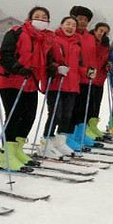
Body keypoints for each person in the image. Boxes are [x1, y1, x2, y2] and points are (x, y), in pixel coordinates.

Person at [0, 6, 54, 169]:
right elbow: (5, 55)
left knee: (29, 117)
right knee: (14, 116)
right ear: (29, 18)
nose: (41, 19)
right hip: (11, 81)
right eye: (37, 16)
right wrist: (18, 68)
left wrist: (52, 68)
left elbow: (45, 60)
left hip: (31, 83)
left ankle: (17, 150)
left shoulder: (44, 39)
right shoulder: (16, 32)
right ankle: (6, 155)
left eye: (44, 17)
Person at [42, 16, 86, 155]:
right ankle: (46, 142)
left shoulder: (77, 44)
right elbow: (47, 60)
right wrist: (56, 68)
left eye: (73, 25)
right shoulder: (53, 40)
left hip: (72, 85)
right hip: (56, 83)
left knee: (67, 115)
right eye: (68, 24)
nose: (70, 27)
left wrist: (87, 72)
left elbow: (79, 65)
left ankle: (61, 142)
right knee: (55, 114)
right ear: (61, 25)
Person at [68, 6, 100, 149]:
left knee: (84, 109)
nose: (83, 22)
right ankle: (69, 136)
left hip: (88, 78)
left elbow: (92, 57)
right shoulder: (71, 35)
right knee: (73, 109)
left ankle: (80, 135)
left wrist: (93, 70)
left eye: (86, 20)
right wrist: (83, 70)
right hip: (73, 78)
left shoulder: (90, 37)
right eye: (80, 19)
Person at [84, 22, 112, 140]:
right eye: (100, 30)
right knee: (88, 105)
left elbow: (103, 59)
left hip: (100, 78)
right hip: (89, 78)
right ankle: (85, 129)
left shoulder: (105, 44)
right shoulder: (89, 40)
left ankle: (93, 126)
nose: (102, 33)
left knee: (96, 104)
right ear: (95, 30)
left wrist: (107, 64)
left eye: (105, 32)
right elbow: (92, 56)